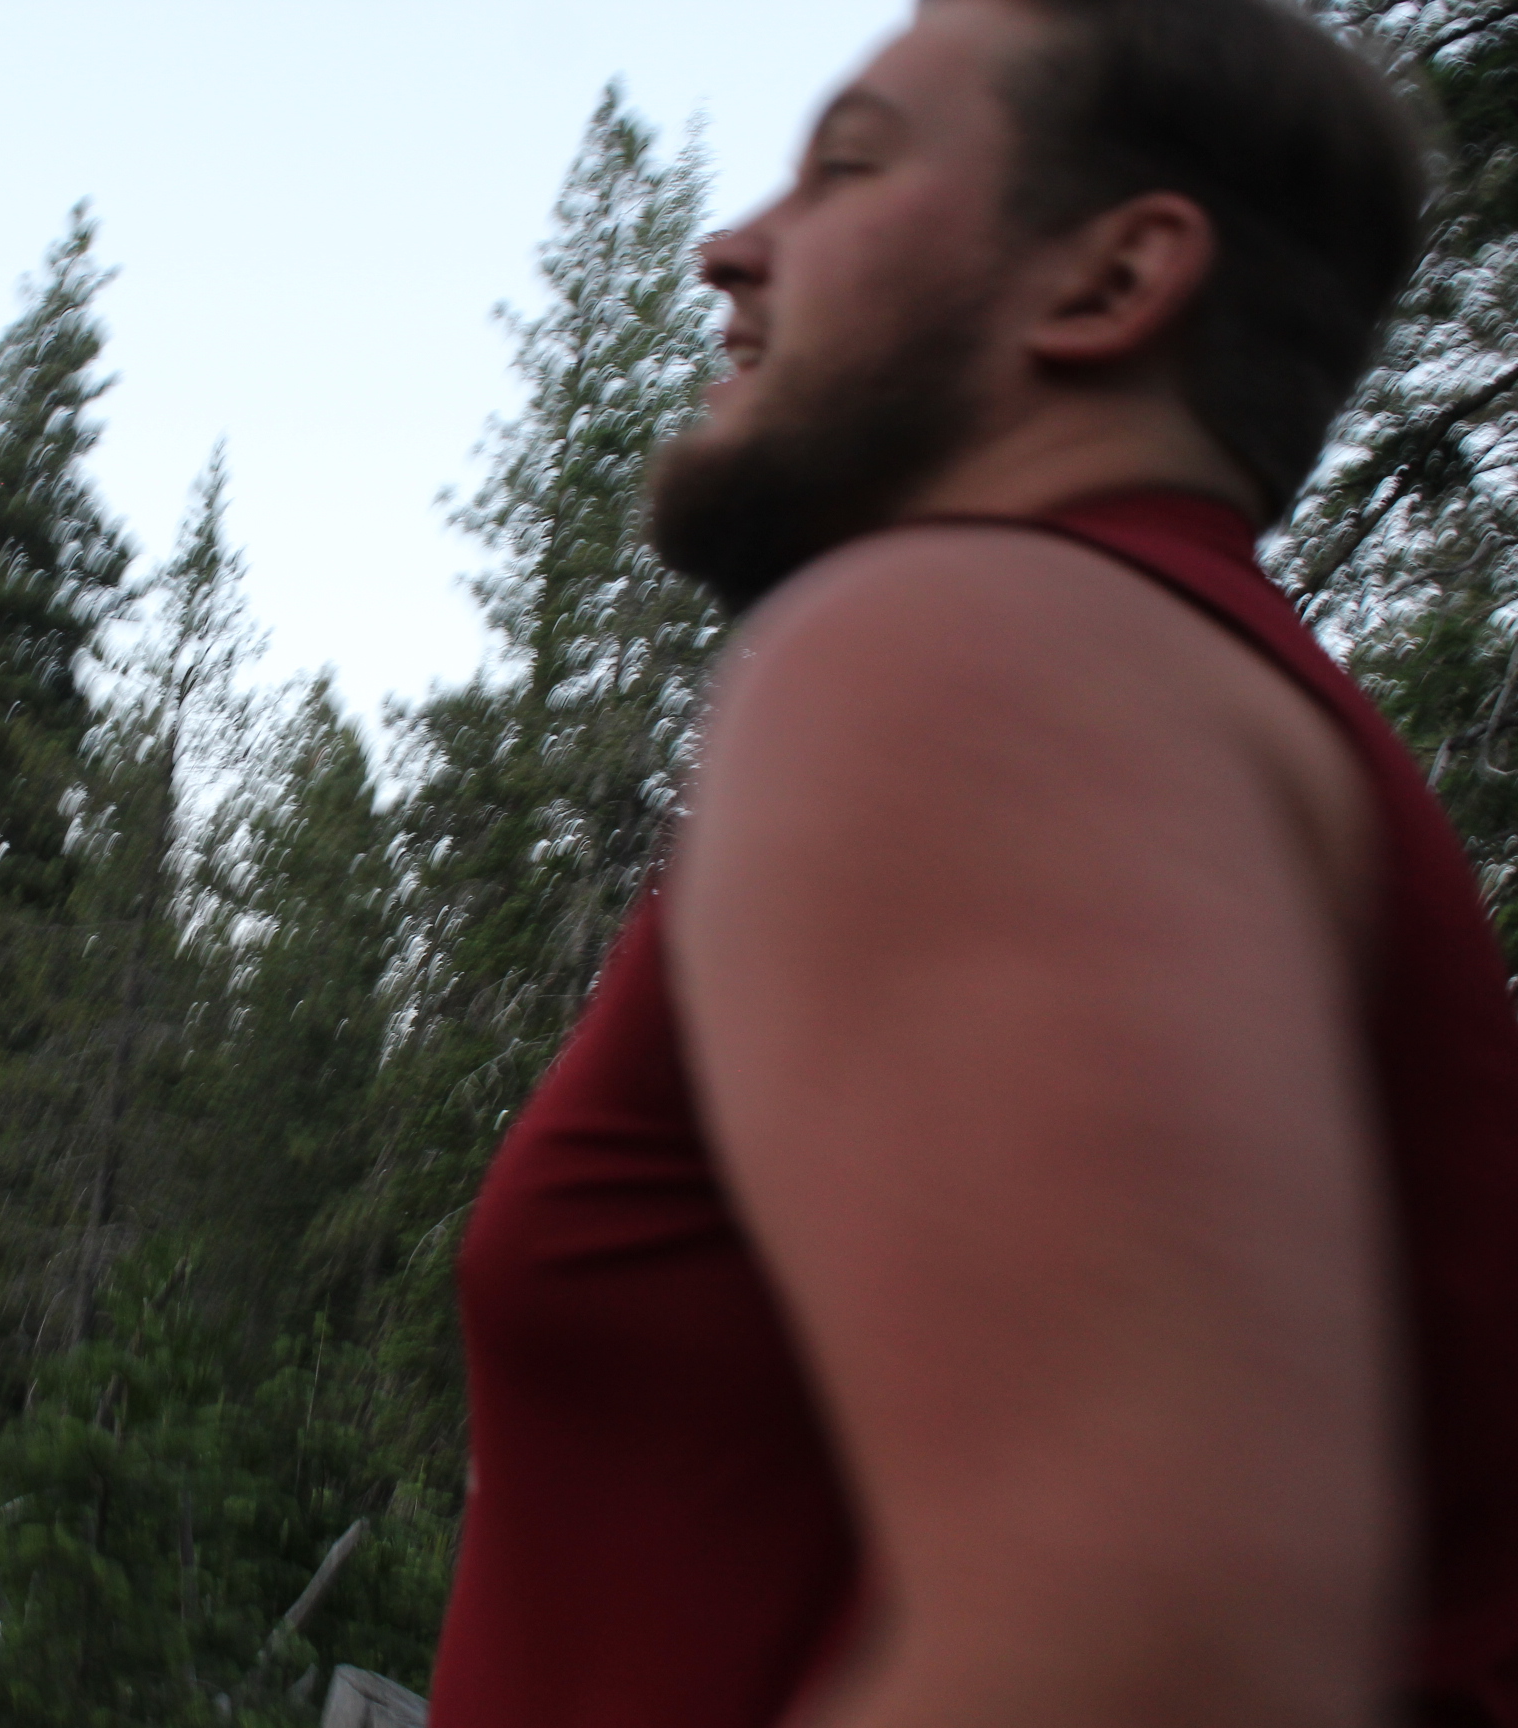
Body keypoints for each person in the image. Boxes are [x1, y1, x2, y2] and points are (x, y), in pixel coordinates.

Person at [429, 2, 1518, 1726]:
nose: (730, 247)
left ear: (1108, 282)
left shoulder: (973, 645)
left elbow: (1159, 1658)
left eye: (848, 170)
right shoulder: (1208, 705)